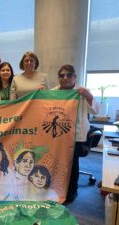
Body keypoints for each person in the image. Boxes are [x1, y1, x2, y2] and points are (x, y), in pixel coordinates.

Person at [52, 64, 98, 203]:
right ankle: (57, 188)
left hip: (77, 134)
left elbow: (96, 110)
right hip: (59, 133)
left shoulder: (82, 91)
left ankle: (72, 191)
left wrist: (88, 95)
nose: (65, 78)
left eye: (69, 75)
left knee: (72, 163)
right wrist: (41, 92)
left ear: (74, 77)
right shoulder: (54, 91)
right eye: (62, 75)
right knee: (58, 161)